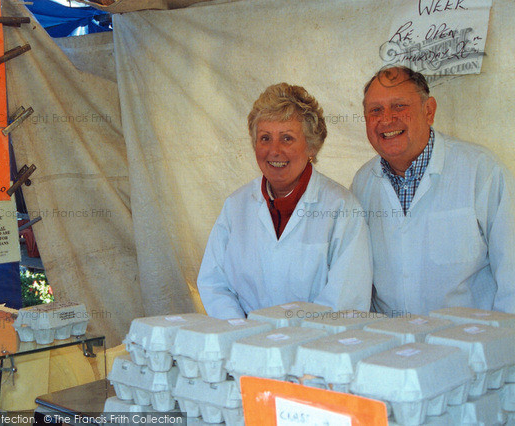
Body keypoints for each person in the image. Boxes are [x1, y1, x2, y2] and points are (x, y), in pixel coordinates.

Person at [197, 83, 373, 319]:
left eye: (287, 138)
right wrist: (242, 332)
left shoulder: (341, 208)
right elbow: (213, 283)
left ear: (312, 146)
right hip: (247, 344)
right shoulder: (236, 206)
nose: (274, 150)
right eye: (265, 138)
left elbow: (347, 297)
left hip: (316, 348)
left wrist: (290, 343)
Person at [351, 66, 515, 316]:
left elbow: (511, 269)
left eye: (399, 106)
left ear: (429, 111)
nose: (386, 119)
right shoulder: (362, 183)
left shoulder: (481, 170)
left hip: (470, 345)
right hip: (391, 346)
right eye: (375, 110)